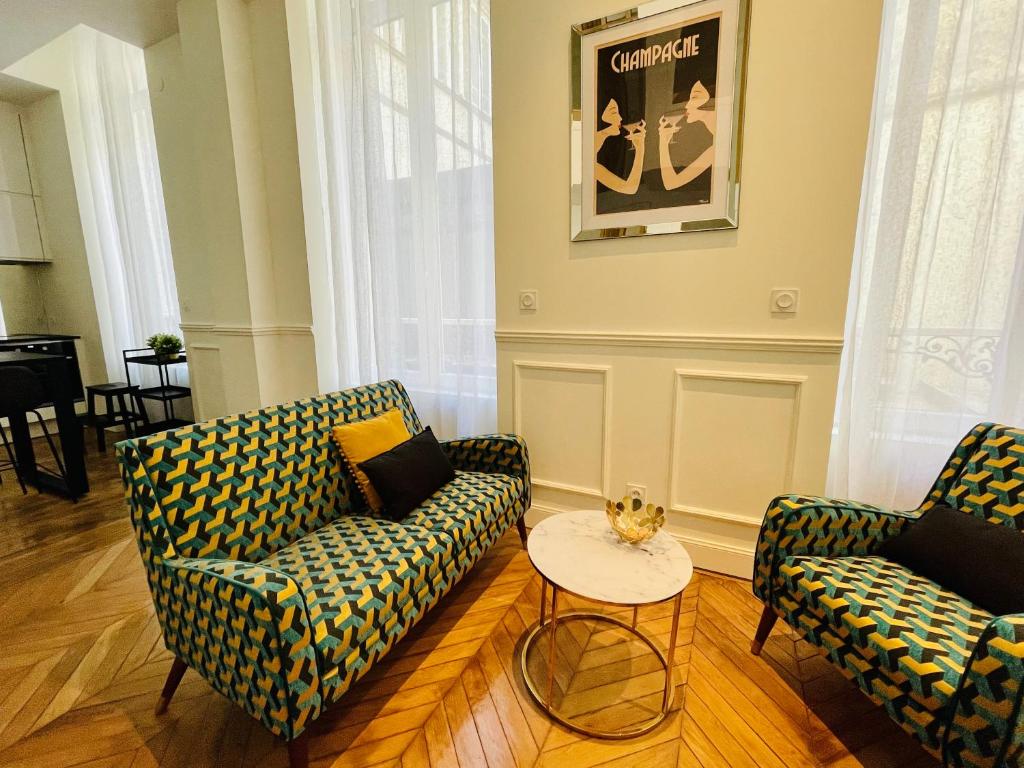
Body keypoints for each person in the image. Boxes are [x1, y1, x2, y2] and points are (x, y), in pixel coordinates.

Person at [658, 79, 715, 190]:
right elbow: (670, 184)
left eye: (694, 98)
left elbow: (671, 183)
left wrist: (663, 144)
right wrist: (663, 142)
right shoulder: (718, 146)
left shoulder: (720, 147)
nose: (687, 105)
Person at [595, 98, 646, 195]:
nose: (620, 118)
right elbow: (630, 188)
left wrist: (639, 147)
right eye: (614, 112)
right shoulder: (591, 164)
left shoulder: (592, 160)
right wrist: (640, 149)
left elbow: (630, 188)